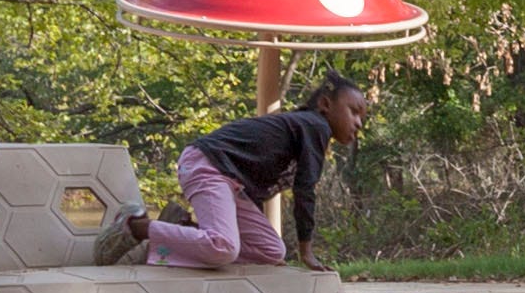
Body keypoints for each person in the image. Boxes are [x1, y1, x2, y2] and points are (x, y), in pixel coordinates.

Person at [149, 73, 371, 270]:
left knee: (271, 252)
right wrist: (307, 253)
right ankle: (140, 228)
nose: (359, 123)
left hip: (230, 179)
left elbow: (255, 188)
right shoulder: (316, 126)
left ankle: (182, 230)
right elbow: (305, 190)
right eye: (354, 112)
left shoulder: (305, 129)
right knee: (223, 246)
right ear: (325, 104)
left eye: (362, 117)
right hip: (208, 163)